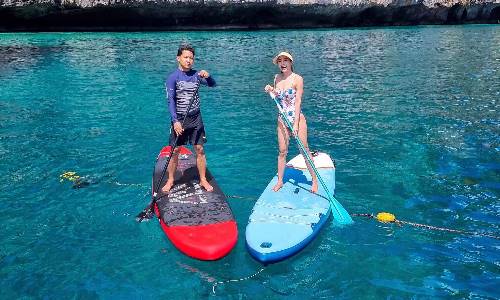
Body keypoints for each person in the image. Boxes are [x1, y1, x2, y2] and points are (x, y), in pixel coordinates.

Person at [162, 43, 216, 193]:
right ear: (178, 58)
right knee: (175, 151)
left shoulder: (197, 75)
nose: (189, 60)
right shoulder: (173, 78)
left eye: (191, 58)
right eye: (185, 57)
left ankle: (203, 179)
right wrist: (175, 121)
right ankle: (171, 179)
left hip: (196, 118)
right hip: (180, 118)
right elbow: (171, 100)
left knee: (199, 149)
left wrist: (209, 76)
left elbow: (212, 85)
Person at [264, 51, 318, 193]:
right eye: (280, 61)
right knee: (282, 151)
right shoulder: (277, 78)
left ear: (290, 62)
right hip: (282, 119)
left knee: (304, 150)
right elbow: (278, 95)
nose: (282, 63)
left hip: (296, 118)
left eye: (285, 60)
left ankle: (314, 180)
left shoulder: (297, 79)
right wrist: (271, 89)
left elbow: (298, 101)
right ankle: (280, 181)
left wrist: (295, 124)